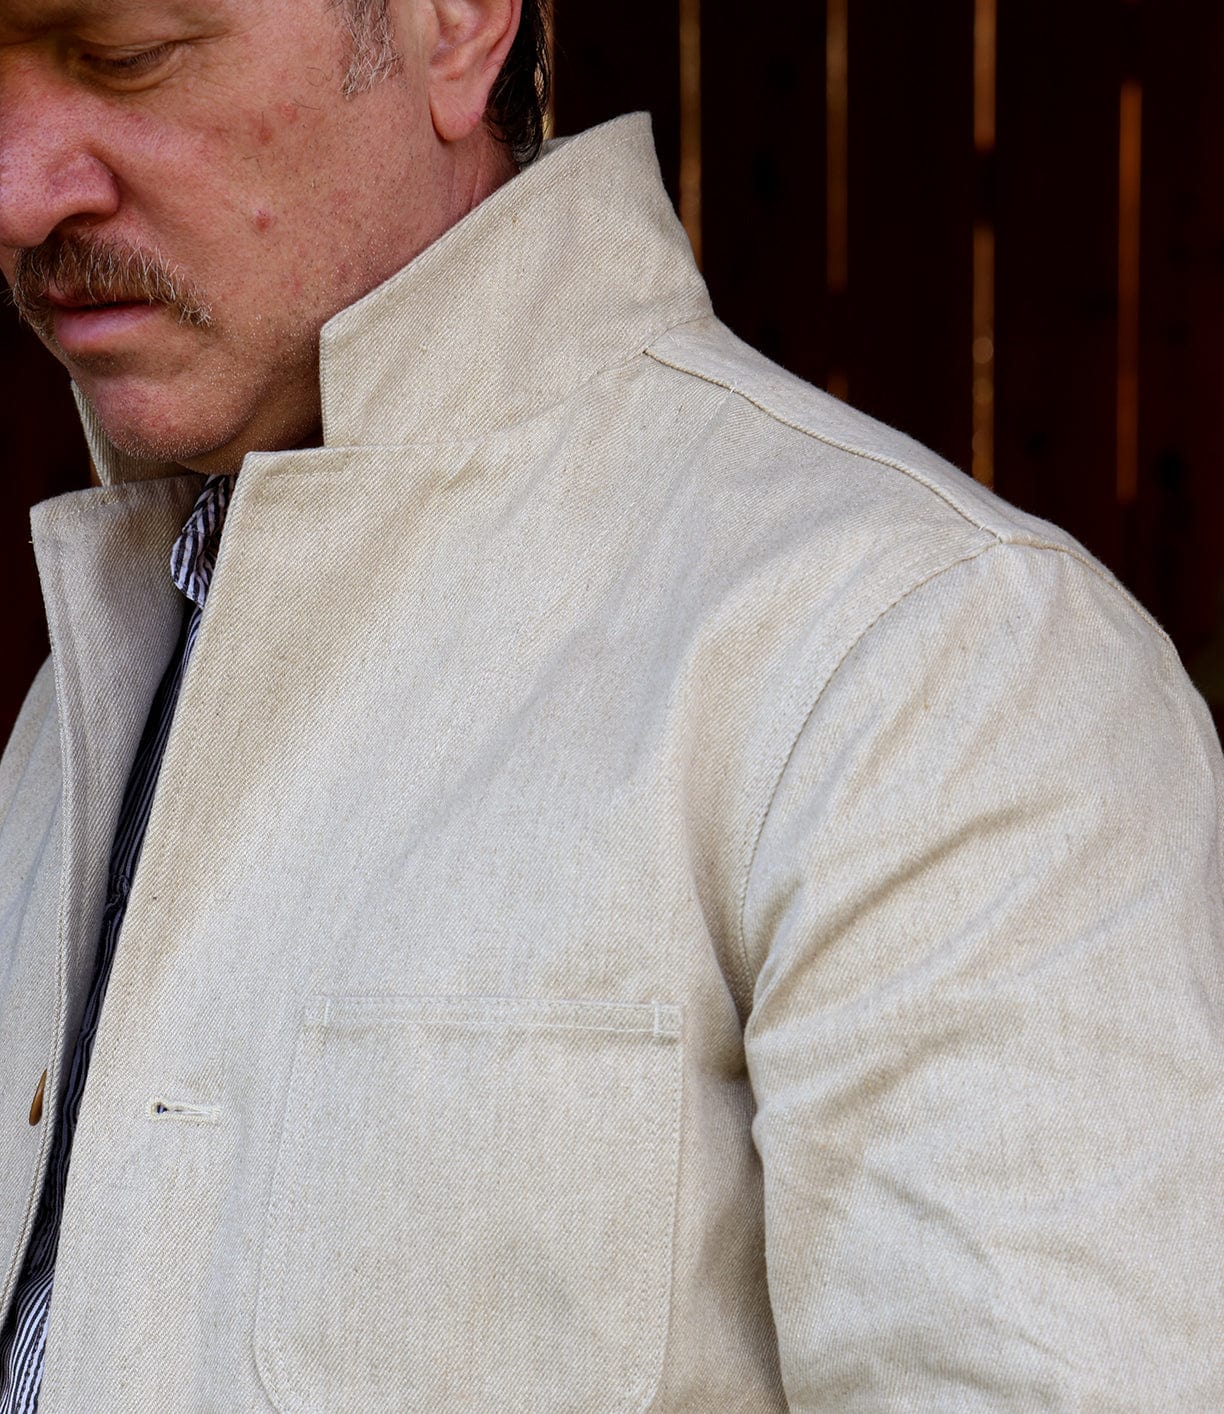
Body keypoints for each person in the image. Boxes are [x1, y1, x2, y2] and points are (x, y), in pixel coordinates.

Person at [0, 0, 1220, 1408]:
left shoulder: (925, 662)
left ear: (456, 24)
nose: (21, 192)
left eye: (129, 56)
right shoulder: (102, 671)